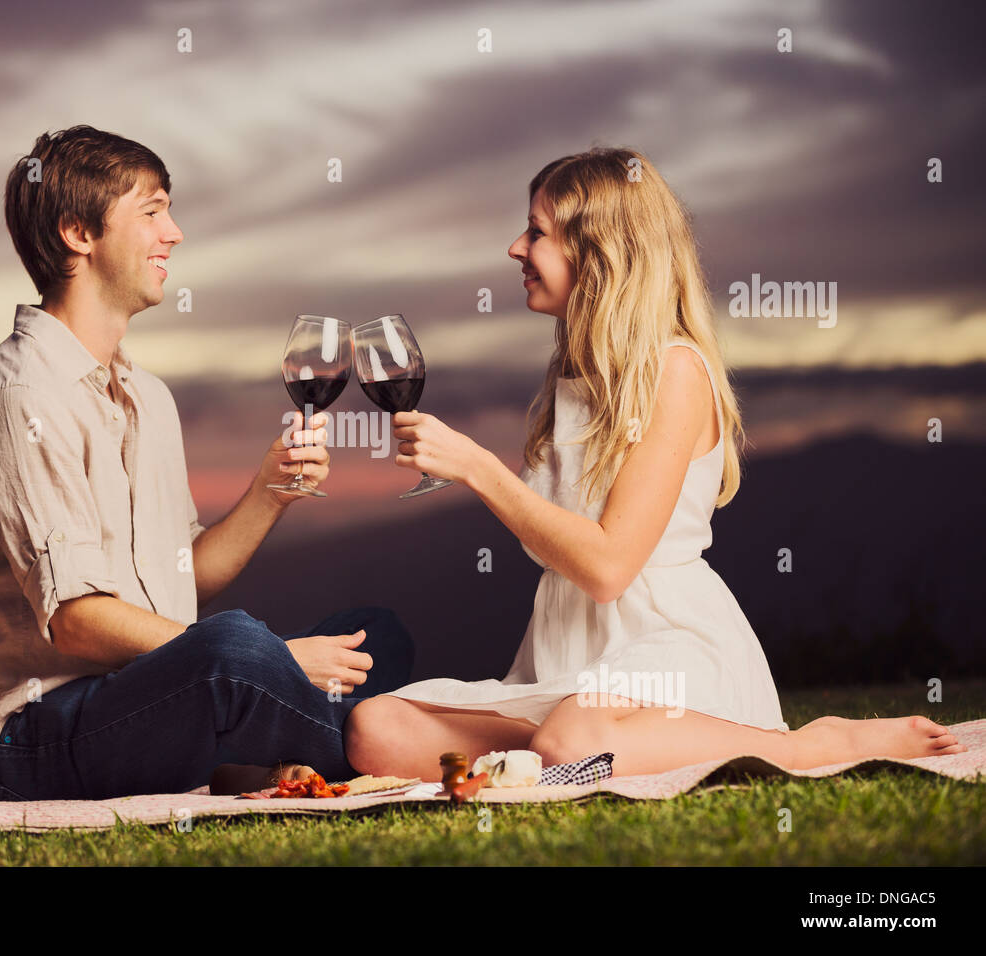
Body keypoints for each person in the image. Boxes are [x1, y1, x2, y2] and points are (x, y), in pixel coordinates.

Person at [344, 147, 965, 779]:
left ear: (599, 252)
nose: (514, 248)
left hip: (665, 649)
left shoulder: (675, 371)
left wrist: (478, 468)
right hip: (564, 655)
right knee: (376, 728)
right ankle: (554, 759)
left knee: (572, 740)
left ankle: (812, 745)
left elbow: (610, 567)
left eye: (537, 232)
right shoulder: (575, 378)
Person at [0, 125, 412, 801]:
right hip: (37, 733)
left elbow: (187, 574)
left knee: (374, 633)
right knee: (235, 652)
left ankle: (290, 744)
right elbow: (75, 617)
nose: (175, 233)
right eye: (153, 211)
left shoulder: (149, 398)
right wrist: (268, 662)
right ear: (79, 232)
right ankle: (374, 741)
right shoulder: (20, 396)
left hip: (149, 696)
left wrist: (269, 494)